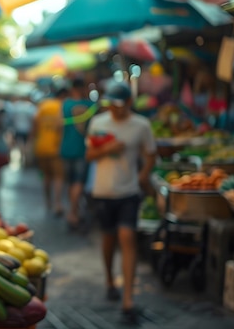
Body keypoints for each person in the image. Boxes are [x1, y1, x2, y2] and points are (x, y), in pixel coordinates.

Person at [85, 81, 156, 324]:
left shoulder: (141, 125)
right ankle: (109, 280)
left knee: (127, 238)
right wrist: (110, 148)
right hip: (103, 192)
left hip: (129, 192)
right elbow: (90, 155)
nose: (114, 109)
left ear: (128, 103)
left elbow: (151, 153)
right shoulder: (98, 123)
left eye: (118, 104)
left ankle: (128, 298)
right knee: (108, 239)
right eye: (111, 104)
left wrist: (144, 173)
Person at [60, 78, 94, 229]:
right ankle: (74, 212)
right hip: (82, 149)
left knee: (71, 181)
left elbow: (57, 126)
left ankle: (72, 210)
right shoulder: (91, 106)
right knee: (78, 182)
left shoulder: (65, 105)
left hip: (66, 148)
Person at [31, 87, 66, 216]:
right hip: (56, 147)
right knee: (58, 177)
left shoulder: (43, 105)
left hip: (41, 146)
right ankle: (57, 204)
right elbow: (60, 126)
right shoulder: (61, 106)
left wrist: (33, 140)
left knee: (46, 176)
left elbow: (34, 122)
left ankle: (48, 202)